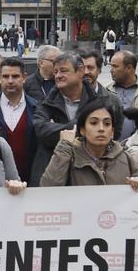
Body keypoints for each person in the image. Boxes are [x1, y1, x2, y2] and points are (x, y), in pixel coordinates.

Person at [32, 52, 125, 186]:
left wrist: (60, 130)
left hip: (89, 175)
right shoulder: (46, 103)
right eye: (56, 71)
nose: (58, 76)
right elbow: (42, 131)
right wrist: (82, 128)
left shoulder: (102, 102)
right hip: (53, 173)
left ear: (80, 71)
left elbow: (112, 135)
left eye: (63, 71)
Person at [40, 98, 138, 189]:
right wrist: (63, 147)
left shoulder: (125, 158)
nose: (101, 129)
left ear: (112, 132)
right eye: (94, 123)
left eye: (107, 124)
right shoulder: (69, 156)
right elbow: (48, 189)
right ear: (82, 130)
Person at [0, 57, 36, 183]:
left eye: (15, 76)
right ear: (0, 78)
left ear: (24, 77)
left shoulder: (37, 108)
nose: (10, 81)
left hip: (30, 179)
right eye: (5, 76)